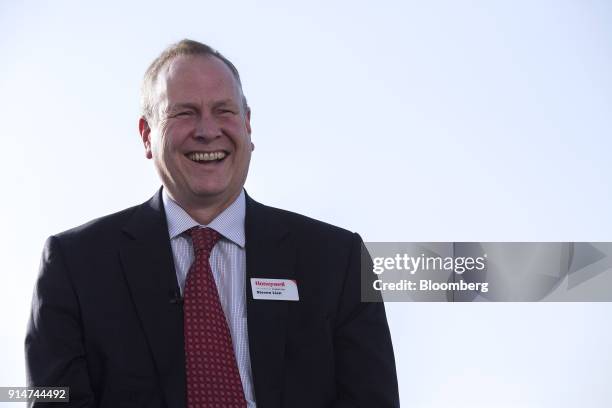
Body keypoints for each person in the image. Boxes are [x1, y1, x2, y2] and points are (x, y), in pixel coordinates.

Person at [25, 39, 399, 408]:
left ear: (248, 126)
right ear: (146, 135)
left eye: (224, 111)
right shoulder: (75, 265)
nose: (207, 130)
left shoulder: (338, 259)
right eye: (184, 112)